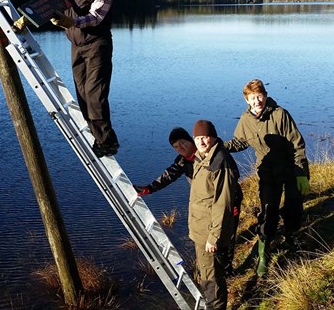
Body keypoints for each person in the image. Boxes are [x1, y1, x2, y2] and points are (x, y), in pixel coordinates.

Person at [15, 0, 119, 157]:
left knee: (95, 94)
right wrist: (29, 16)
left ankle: (108, 142)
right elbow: (52, 0)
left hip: (98, 44)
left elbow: (96, 17)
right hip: (76, 44)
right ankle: (96, 137)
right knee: (81, 92)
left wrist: (71, 21)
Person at [224, 79, 310, 277]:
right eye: (253, 98)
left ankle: (291, 239)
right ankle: (264, 254)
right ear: (247, 100)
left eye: (260, 96)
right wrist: (220, 147)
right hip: (267, 173)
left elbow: (297, 144)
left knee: (293, 208)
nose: (257, 101)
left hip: (290, 168)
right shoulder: (246, 120)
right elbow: (239, 142)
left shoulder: (280, 114)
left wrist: (300, 172)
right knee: (268, 211)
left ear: (265, 95)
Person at [133, 127, 242, 276]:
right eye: (176, 147)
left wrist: (233, 205)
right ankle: (213, 266)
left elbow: (228, 183)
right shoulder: (184, 161)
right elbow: (169, 175)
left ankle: (227, 267)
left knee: (227, 234)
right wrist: (149, 189)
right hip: (206, 206)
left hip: (227, 202)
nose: (181, 148)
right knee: (209, 236)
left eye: (183, 143)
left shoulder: (209, 154)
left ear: (191, 140)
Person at [188, 119, 240, 310]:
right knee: (207, 275)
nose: (201, 141)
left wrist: (214, 237)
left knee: (212, 280)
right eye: (198, 138)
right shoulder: (202, 158)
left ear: (214, 137)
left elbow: (223, 203)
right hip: (201, 230)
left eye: (205, 137)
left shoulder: (220, 162)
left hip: (210, 233)